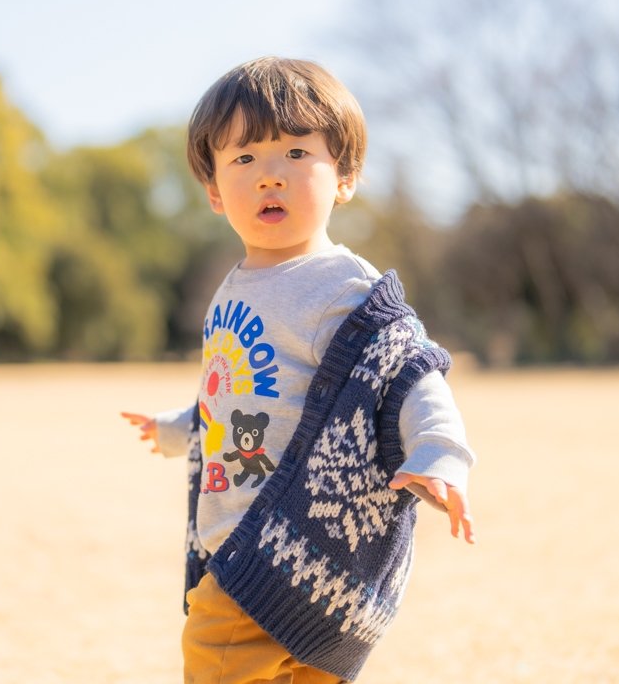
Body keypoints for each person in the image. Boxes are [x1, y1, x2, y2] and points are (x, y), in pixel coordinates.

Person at [121, 57, 476, 684]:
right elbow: (232, 395)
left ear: (343, 175)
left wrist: (438, 453)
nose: (269, 178)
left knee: (216, 657)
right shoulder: (233, 288)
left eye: (294, 153)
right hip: (239, 535)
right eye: (244, 159)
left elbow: (410, 371)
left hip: (293, 546)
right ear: (212, 190)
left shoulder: (342, 287)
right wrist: (178, 429)